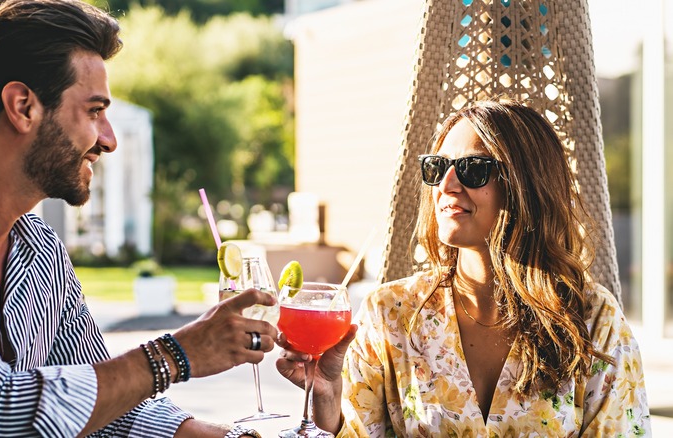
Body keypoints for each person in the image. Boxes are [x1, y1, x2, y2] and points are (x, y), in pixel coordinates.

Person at [0, 0, 274, 436]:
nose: (108, 140)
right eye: (94, 111)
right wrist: (176, 354)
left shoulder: (42, 250)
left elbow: (109, 408)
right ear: (23, 107)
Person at [277, 99, 650, 436]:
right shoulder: (389, 314)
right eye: (437, 167)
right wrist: (327, 398)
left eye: (473, 168)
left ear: (527, 185)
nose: (446, 184)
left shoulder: (592, 320)